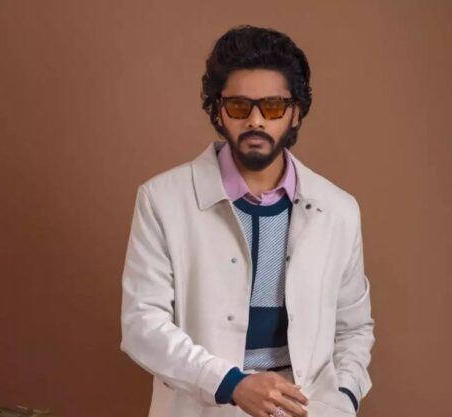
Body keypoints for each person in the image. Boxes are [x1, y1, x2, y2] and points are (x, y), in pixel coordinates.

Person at [120, 24, 375, 417]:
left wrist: (342, 398)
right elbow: (143, 324)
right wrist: (232, 384)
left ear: (295, 112)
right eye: (239, 106)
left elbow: (353, 328)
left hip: (308, 408)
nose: (256, 121)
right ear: (218, 110)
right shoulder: (162, 200)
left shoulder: (338, 210)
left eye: (272, 107)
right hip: (204, 405)